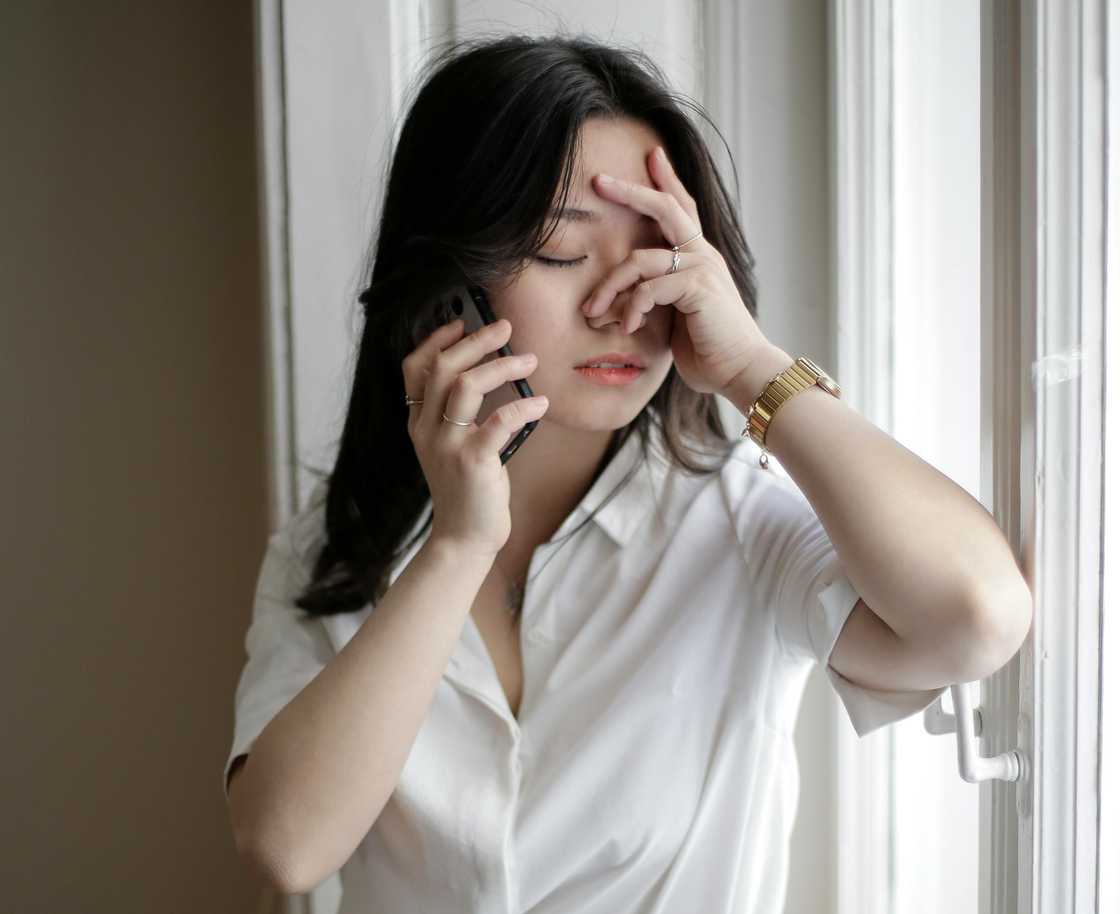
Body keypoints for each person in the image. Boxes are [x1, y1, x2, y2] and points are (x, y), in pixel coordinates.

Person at [221, 32, 1033, 914]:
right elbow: (286, 845)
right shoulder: (333, 548)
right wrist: (458, 546)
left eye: (657, 257)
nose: (621, 305)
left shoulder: (739, 526)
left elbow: (979, 616)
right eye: (563, 253)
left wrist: (755, 366)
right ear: (446, 284)